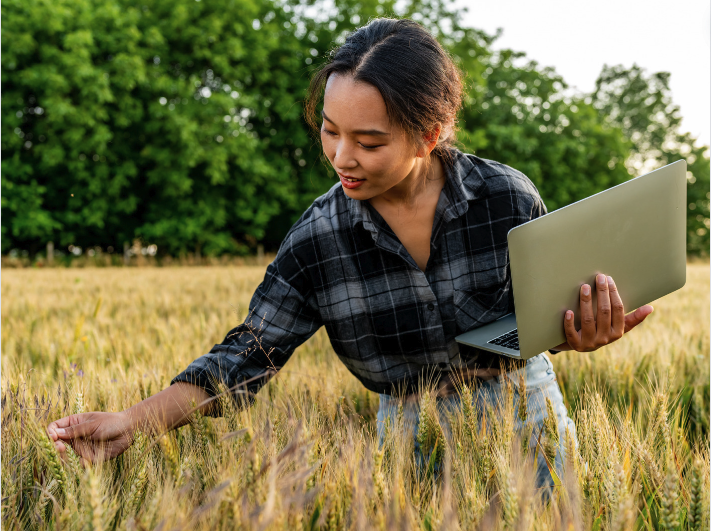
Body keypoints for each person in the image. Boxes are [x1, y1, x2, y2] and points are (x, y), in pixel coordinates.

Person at [47, 18, 653, 486]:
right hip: (409, 437)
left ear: (431, 133)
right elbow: (246, 355)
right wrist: (131, 420)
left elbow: (537, 317)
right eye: (329, 129)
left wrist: (578, 331)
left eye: (368, 141)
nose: (341, 157)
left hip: (527, 417)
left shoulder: (506, 197)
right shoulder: (317, 239)